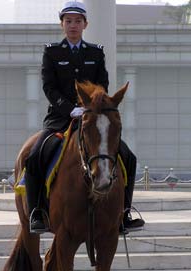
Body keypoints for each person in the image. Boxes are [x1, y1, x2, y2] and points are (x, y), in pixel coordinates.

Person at [25, 1, 145, 233]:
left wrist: (91, 107)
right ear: (62, 25)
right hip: (60, 118)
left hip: (93, 117)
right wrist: (70, 108)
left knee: (128, 157)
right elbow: (49, 87)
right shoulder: (52, 52)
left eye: (78, 21)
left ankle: (124, 213)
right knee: (35, 156)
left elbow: (103, 84)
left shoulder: (95, 52)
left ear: (85, 24)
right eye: (68, 21)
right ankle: (37, 212)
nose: (73, 25)